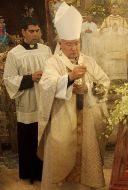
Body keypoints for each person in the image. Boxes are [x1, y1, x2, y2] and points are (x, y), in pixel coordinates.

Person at [38, 2, 110, 190]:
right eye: (69, 44)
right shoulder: (53, 63)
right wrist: (69, 78)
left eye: (76, 43)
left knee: (86, 157)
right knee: (60, 155)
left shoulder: (89, 62)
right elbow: (46, 86)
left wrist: (88, 87)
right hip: (63, 120)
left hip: (87, 122)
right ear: (60, 44)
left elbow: (104, 82)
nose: (73, 48)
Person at [3, 17, 52, 183]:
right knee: (29, 138)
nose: (35, 34)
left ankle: (45, 173)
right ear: (23, 32)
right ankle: (29, 173)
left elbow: (54, 71)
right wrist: (30, 77)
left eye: (37, 31)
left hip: (44, 101)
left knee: (44, 137)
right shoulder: (14, 54)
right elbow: (8, 79)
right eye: (31, 31)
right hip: (27, 103)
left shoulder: (46, 50)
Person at [100, 3, 128, 80]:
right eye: (113, 8)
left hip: (120, 45)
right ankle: (110, 78)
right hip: (110, 45)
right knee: (110, 61)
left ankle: (120, 78)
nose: (115, 10)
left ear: (119, 9)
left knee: (119, 61)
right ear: (111, 9)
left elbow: (126, 30)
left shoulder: (122, 20)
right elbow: (102, 31)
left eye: (116, 8)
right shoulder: (106, 20)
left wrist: (118, 29)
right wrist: (111, 29)